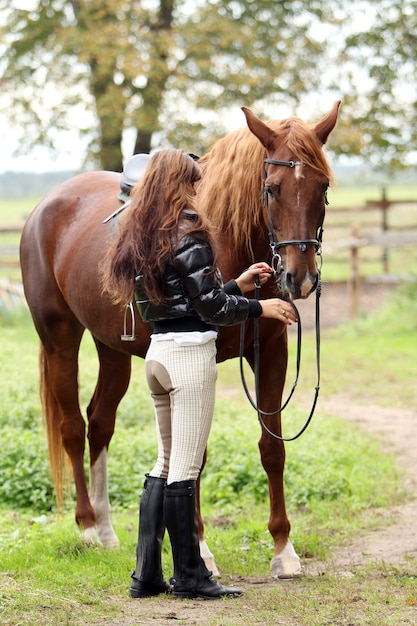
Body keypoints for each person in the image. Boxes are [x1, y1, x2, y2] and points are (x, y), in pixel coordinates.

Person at [101, 148, 297, 601]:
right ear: (178, 187)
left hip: (158, 356)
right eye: (192, 184)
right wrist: (260, 306)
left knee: (164, 464)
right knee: (185, 469)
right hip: (190, 358)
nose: (197, 192)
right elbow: (209, 310)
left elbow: (185, 300)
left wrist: (237, 283)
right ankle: (190, 576)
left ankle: (146, 574)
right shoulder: (190, 232)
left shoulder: (142, 233)